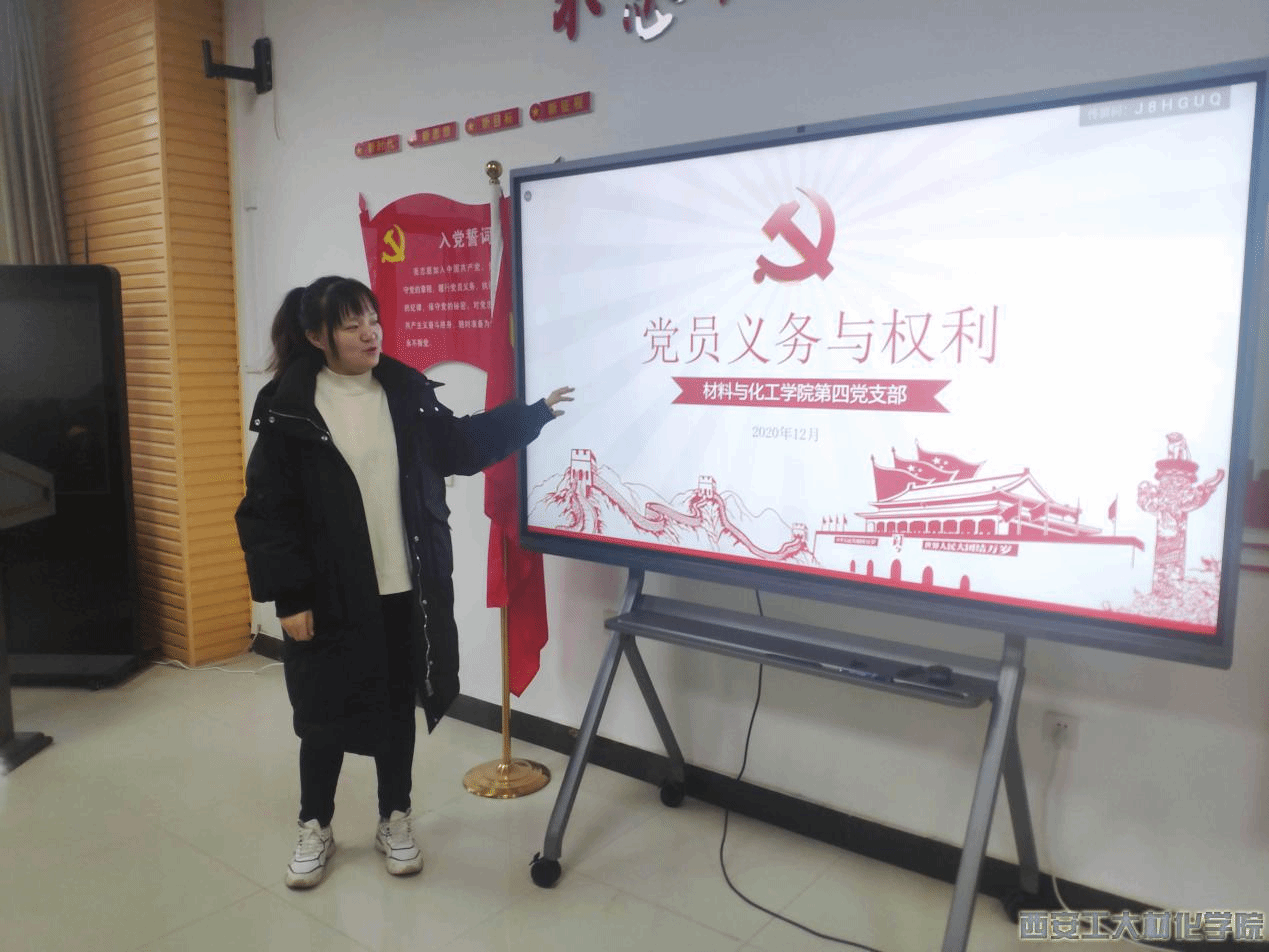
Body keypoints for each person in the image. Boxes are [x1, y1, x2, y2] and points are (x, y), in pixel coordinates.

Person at [234, 276, 573, 889]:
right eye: (351, 325)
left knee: (395, 711)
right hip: (327, 595)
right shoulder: (291, 409)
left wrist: (532, 416)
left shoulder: (405, 394)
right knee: (322, 714)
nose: (371, 334)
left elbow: (461, 446)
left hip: (402, 588)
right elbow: (267, 512)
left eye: (373, 319)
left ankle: (395, 817)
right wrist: (291, 597)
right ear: (317, 337)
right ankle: (315, 824)